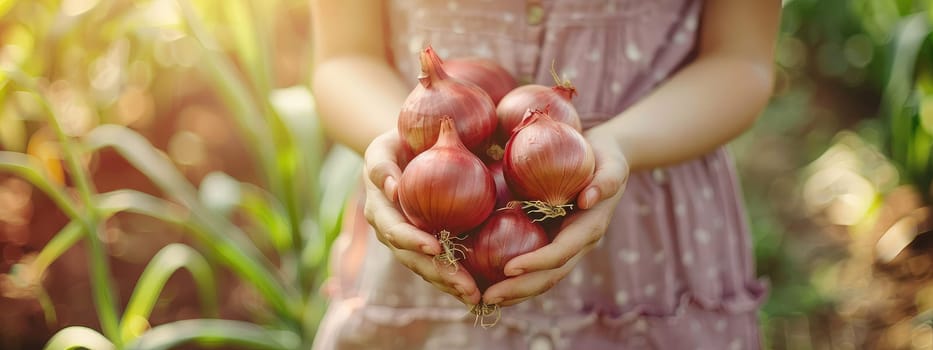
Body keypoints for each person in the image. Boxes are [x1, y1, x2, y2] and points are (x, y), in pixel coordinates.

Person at [309, 0, 781, 349]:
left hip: (648, 239)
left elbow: (742, 62)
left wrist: (619, 146)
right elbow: (344, 58)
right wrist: (400, 145)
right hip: (424, 222)